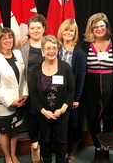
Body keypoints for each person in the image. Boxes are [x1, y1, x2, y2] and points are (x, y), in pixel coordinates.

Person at [29, 35, 75, 163]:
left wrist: (63, 109)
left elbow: (71, 91)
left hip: (62, 112)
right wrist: (44, 111)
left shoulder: (65, 68)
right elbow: (33, 94)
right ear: (43, 50)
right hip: (44, 113)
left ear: (58, 50)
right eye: (48, 48)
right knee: (45, 141)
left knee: (61, 141)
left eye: (54, 48)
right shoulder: (36, 71)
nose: (51, 51)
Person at [80, 13, 113, 162]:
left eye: (102, 26)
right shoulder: (84, 45)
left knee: (108, 119)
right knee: (93, 119)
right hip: (90, 89)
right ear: (91, 28)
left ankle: (106, 148)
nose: (99, 29)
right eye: (96, 27)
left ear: (107, 27)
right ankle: (97, 148)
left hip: (110, 89)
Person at [0, 27, 28, 163]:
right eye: (4, 38)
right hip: (4, 104)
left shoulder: (17, 53)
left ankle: (13, 154)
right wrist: (10, 102)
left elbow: (23, 78)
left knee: (14, 129)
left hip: (20, 101)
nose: (8, 40)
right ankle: (7, 156)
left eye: (10, 37)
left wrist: (25, 94)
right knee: (5, 131)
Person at [56, 19, 87, 163]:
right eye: (66, 30)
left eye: (71, 31)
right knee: (61, 123)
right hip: (57, 94)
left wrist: (77, 98)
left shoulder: (79, 53)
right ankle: (64, 148)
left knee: (74, 123)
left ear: (75, 33)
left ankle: (74, 148)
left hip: (72, 95)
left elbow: (81, 76)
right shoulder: (56, 48)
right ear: (61, 31)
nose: (68, 33)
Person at [19, 14, 47, 163]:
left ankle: (43, 145)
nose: (35, 30)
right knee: (32, 118)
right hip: (29, 90)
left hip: (46, 90)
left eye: (38, 27)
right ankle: (35, 146)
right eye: (32, 28)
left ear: (43, 29)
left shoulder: (50, 42)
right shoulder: (22, 45)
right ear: (28, 30)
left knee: (44, 119)